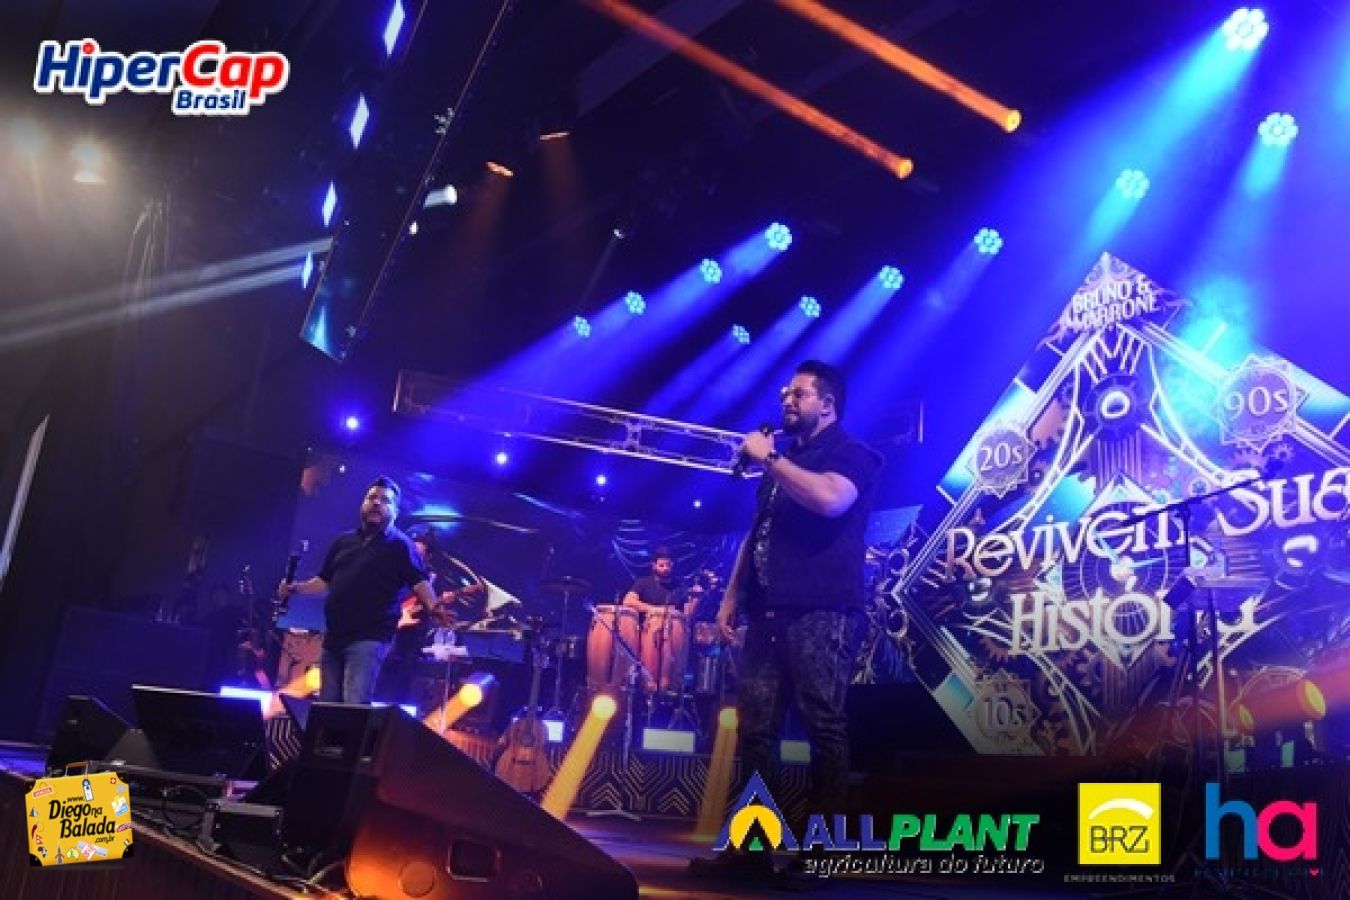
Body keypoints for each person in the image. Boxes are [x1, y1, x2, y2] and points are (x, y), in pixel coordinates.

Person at [694, 360, 882, 881]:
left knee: (824, 726)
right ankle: (750, 850)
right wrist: (732, 594)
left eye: (798, 394)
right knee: (756, 730)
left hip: (822, 608)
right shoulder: (785, 462)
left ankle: (820, 855)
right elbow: (760, 531)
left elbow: (830, 499)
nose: (786, 401)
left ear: (828, 403)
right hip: (768, 609)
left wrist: (771, 458)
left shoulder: (851, 453)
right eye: (784, 394)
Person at [278, 477, 437, 705]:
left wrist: (434, 607)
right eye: (372, 498)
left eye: (385, 500)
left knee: (353, 704)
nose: (376, 503)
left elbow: (420, 582)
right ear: (363, 504)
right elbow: (325, 581)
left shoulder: (401, 545)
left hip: (369, 637)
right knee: (327, 705)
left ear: (395, 511)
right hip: (334, 637)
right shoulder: (344, 542)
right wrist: (296, 588)